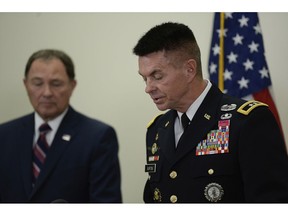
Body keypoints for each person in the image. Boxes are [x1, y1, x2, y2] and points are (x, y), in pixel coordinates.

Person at [132, 22, 288, 203]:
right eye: (144, 79)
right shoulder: (157, 130)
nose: (148, 88)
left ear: (189, 69)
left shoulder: (247, 121)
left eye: (157, 76)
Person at [0, 49, 122, 203]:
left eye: (56, 84)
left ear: (72, 85)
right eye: (37, 83)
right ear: (26, 85)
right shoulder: (4, 136)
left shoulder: (97, 137)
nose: (47, 92)